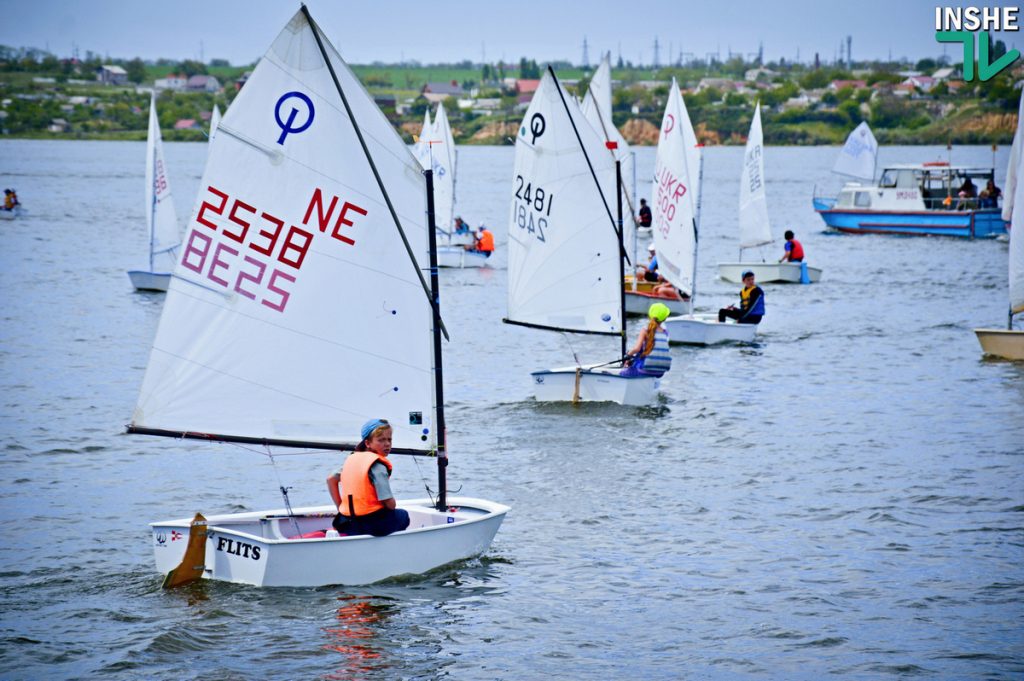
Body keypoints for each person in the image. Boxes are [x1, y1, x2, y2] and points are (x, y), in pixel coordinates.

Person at [327, 418, 410, 537]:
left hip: (347, 523)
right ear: (367, 443)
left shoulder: (352, 460)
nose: (387, 444)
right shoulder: (378, 466)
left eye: (389, 440)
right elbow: (389, 503)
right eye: (381, 440)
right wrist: (392, 504)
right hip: (371, 525)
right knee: (403, 515)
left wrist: (340, 507)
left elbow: (330, 479)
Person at [621, 303, 673, 377]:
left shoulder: (645, 330)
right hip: (660, 372)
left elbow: (636, 349)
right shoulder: (665, 332)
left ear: (650, 315)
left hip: (644, 369)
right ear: (665, 318)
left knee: (623, 373)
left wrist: (628, 355)